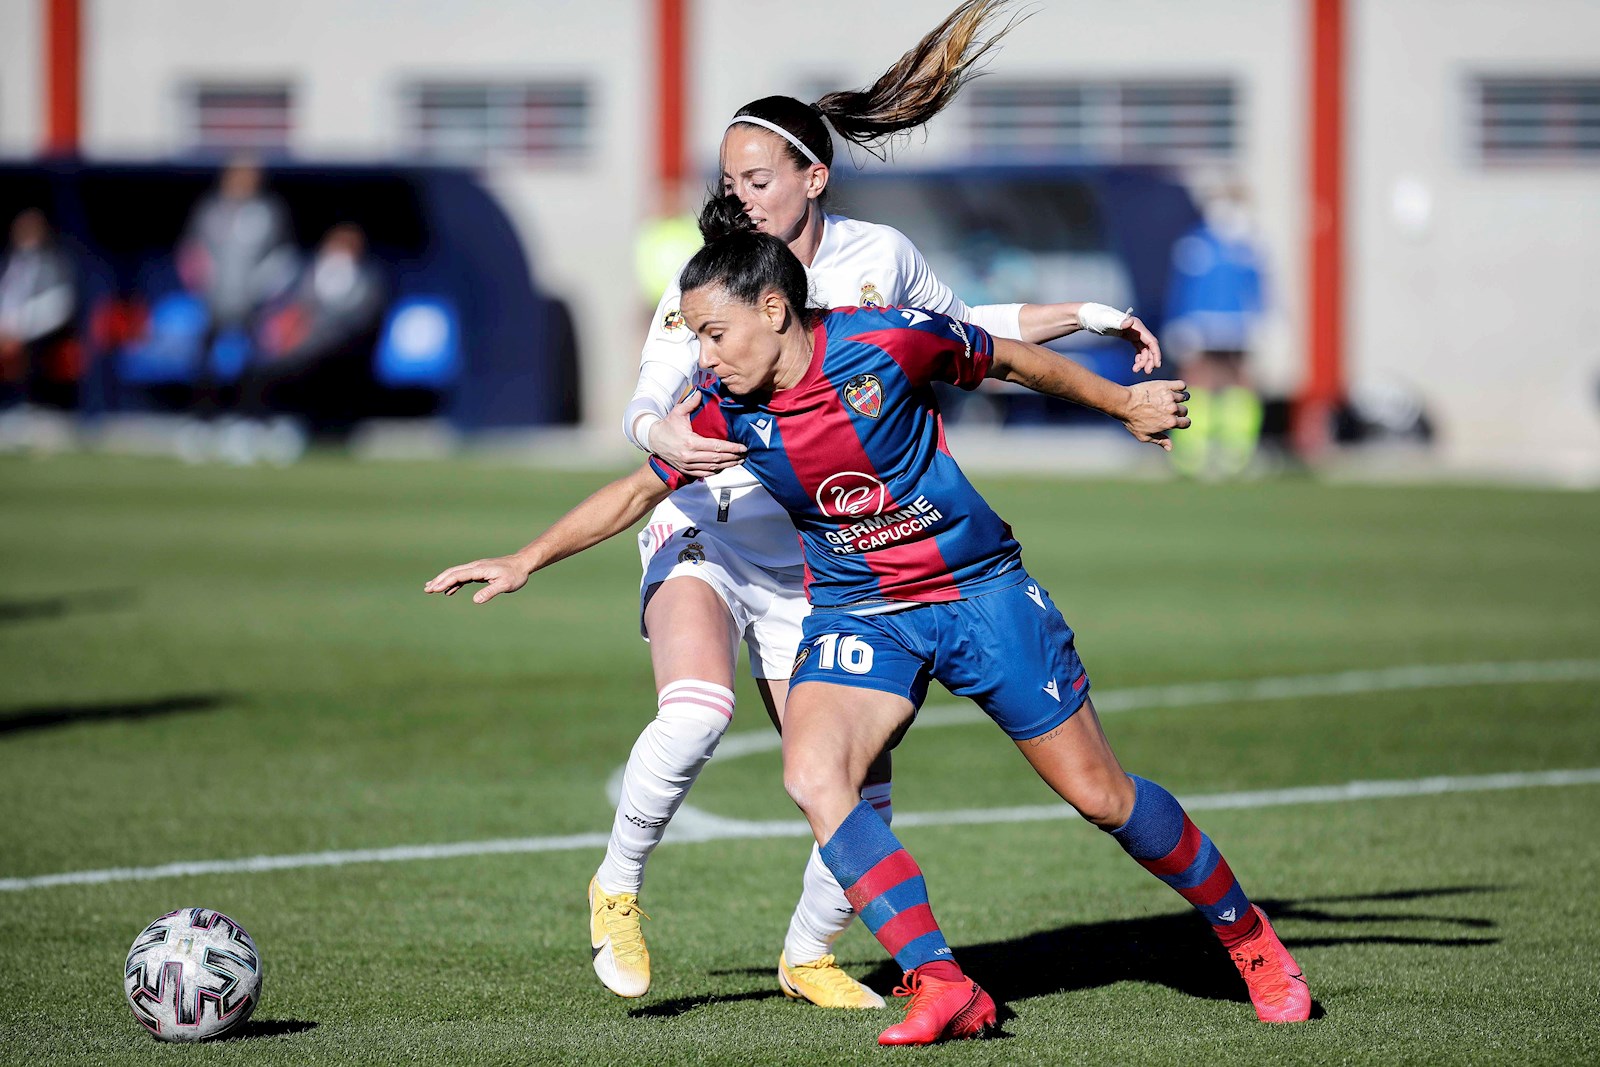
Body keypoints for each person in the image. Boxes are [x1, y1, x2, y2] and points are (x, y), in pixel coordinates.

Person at [426, 200, 1310, 1046]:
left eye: (712, 332)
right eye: (693, 335)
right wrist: (524, 558)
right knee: (814, 774)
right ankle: (943, 982)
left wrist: (1123, 404)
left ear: (775, 309)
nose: (702, 352)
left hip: (978, 590)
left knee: (1101, 796)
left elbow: (1009, 358)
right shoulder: (725, 408)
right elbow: (633, 489)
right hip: (861, 611)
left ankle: (1248, 938)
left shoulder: (887, 342)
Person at [596, 0, 1162, 1008]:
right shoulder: (719, 276)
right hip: (703, 527)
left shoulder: (877, 258)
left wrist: (1086, 316)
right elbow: (648, 398)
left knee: (854, 789)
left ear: (814, 176)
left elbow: (962, 333)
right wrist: (660, 434)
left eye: (757, 178)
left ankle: (808, 953)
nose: (740, 196)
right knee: (695, 713)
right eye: (729, 181)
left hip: (817, 559)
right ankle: (617, 887)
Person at [218, 223, 387, 465]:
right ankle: (254, 425)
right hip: (299, 347)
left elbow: (360, 321)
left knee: (314, 365)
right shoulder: (308, 274)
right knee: (260, 363)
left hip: (339, 351)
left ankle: (298, 427)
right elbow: (290, 309)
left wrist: (313, 339)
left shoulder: (367, 281)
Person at [177, 154, 296, 426]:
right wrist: (202, 284)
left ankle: (249, 420)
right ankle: (202, 421)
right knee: (204, 360)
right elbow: (191, 253)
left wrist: (262, 289)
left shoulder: (269, 212)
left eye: (250, 176)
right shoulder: (210, 210)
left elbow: (283, 258)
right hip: (214, 301)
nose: (243, 182)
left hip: (254, 304)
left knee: (255, 362)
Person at [0, 209, 77, 413]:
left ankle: (26, 406)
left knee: (24, 350)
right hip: (4, 328)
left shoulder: (54, 264)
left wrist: (18, 328)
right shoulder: (8, 262)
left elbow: (59, 306)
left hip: (36, 333)